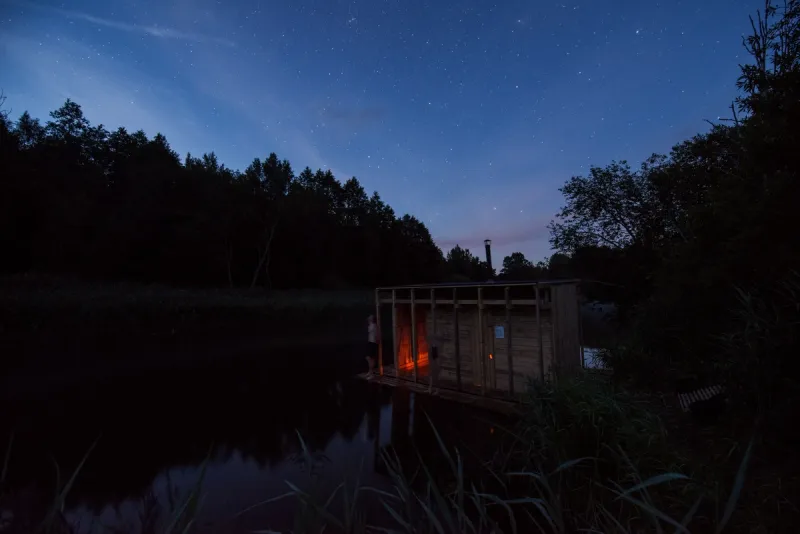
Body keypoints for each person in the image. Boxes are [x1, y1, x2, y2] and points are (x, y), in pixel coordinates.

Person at [366, 315, 379, 379]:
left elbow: (376, 335)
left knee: (370, 358)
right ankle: (370, 372)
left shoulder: (374, 326)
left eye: (370, 317)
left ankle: (372, 373)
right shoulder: (370, 325)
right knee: (368, 358)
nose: (368, 318)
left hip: (373, 343)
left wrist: (376, 342)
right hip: (370, 342)